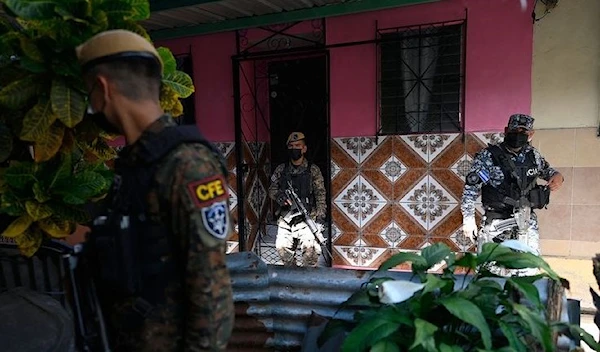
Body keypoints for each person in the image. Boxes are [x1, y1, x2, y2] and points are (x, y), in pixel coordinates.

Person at [76, 29, 234, 351]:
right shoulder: (134, 165)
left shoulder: (188, 165)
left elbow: (212, 293)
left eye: (89, 94)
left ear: (102, 89)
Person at [461, 113, 564, 275]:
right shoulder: (489, 157)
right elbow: (471, 188)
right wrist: (468, 220)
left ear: (531, 135)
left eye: (524, 132)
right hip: (496, 224)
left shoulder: (534, 156)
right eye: (515, 130)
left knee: (528, 272)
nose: (519, 135)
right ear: (506, 130)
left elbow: (548, 171)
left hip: (526, 223)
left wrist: (558, 176)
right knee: (491, 274)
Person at [268, 132, 327, 267]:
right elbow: (272, 189)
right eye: (291, 146)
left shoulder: (313, 170)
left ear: (304, 148)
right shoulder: (281, 170)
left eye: (298, 145)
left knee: (310, 254)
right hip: (286, 218)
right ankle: (292, 279)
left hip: (307, 218)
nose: (294, 149)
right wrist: (279, 197)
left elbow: (320, 193)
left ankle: (307, 283)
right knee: (283, 250)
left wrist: (320, 216)